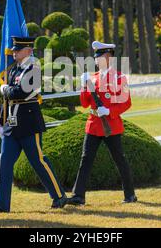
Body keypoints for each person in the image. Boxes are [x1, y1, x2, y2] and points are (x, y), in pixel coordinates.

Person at [0, 36, 67, 213]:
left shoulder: (34, 69)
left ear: (28, 51)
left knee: (38, 161)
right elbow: (8, 100)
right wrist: (1, 121)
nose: (13, 52)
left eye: (17, 50)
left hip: (28, 124)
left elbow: (23, 92)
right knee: (5, 163)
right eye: (14, 49)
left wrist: (6, 90)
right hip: (11, 125)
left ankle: (59, 196)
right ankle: (1, 204)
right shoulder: (14, 70)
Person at [67, 41, 136, 206]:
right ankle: (78, 196)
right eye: (96, 57)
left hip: (111, 125)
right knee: (85, 159)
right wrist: (84, 85)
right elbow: (84, 103)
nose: (96, 61)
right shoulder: (93, 78)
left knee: (120, 159)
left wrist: (110, 112)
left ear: (108, 57)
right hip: (94, 124)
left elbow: (126, 103)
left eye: (99, 57)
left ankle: (130, 195)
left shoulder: (119, 77)